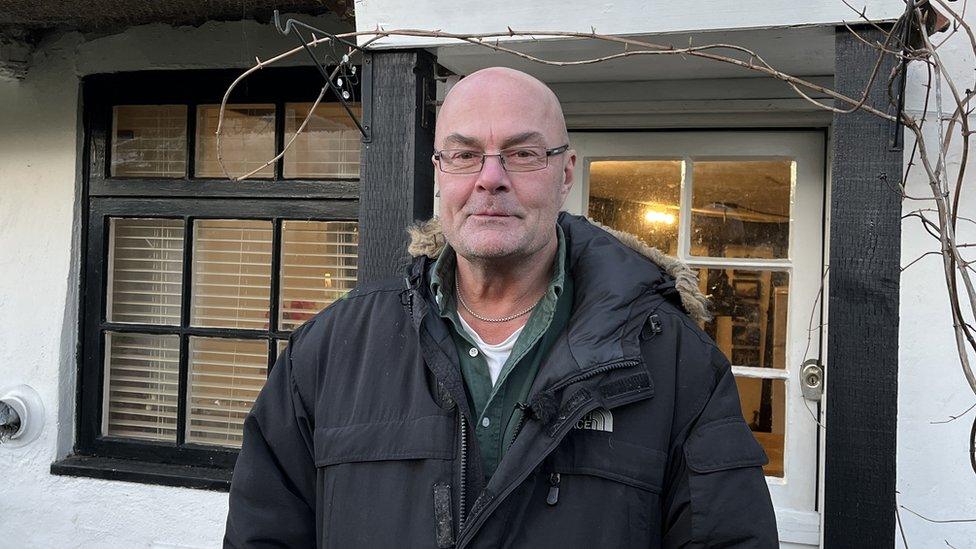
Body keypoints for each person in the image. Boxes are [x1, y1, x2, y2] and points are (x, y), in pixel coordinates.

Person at [224, 67, 778, 548]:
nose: (491, 178)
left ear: (565, 173)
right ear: (440, 172)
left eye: (522, 153)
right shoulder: (327, 353)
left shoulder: (675, 364)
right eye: (466, 155)